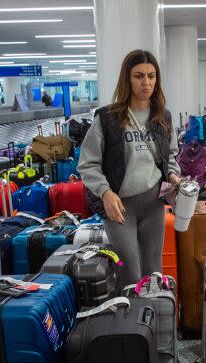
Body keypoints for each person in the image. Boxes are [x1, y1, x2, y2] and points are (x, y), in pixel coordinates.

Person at [78, 50, 181, 285]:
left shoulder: (162, 116)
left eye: (151, 76)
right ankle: (131, 320)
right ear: (127, 79)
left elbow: (171, 156)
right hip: (120, 207)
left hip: (153, 203)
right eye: (139, 76)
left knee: (154, 272)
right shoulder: (108, 118)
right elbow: (87, 164)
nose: (146, 82)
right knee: (130, 273)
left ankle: (155, 318)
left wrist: (174, 176)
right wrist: (104, 192)